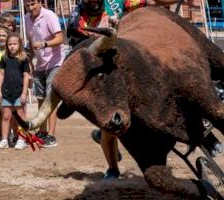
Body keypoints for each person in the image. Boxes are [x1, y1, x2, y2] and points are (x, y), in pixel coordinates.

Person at [67, 0, 195, 179]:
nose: (94, 2)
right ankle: (112, 169)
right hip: (105, 73)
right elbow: (81, 54)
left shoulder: (117, 2)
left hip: (131, 61)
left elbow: (152, 1)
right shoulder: (77, 20)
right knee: (109, 125)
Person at [25, 0, 65, 148]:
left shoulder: (49, 15)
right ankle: (42, 131)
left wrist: (44, 44)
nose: (30, 8)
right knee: (40, 99)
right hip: (40, 64)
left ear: (40, 3)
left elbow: (60, 38)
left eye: (33, 4)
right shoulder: (27, 19)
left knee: (51, 98)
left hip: (55, 62)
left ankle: (51, 135)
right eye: (28, 5)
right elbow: (30, 42)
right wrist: (29, 60)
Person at [0, 33, 30, 149]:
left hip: (19, 92)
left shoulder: (24, 59)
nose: (12, 46)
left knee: (20, 116)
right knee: (6, 116)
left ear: (19, 44)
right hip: (6, 92)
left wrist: (24, 92)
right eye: (9, 44)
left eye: (14, 44)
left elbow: (26, 76)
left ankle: (21, 139)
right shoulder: (4, 58)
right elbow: (1, 74)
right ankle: (5, 139)